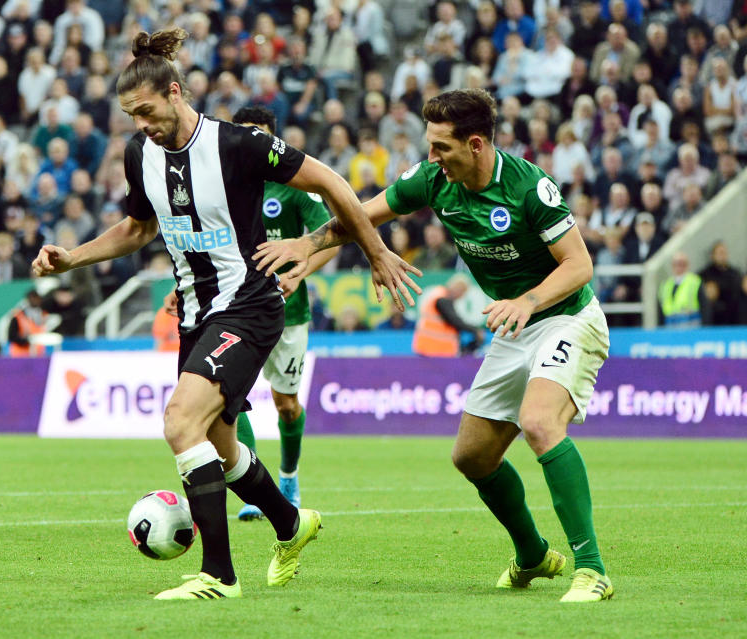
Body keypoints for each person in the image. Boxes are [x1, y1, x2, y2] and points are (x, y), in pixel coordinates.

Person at [32, 28, 419, 601]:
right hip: (195, 314)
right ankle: (291, 524)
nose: (140, 124)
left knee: (179, 424)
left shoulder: (238, 145)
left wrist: (376, 250)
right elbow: (138, 229)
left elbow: (332, 182)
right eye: (130, 115)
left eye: (146, 110)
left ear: (175, 91)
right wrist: (75, 257)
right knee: (219, 445)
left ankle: (218, 575)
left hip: (250, 304)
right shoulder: (140, 153)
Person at [256, 88, 614, 603]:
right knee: (471, 457)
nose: (431, 158)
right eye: (429, 146)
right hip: (516, 324)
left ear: (475, 144)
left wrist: (528, 301)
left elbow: (579, 265)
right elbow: (362, 215)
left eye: (441, 147)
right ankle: (533, 555)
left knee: (539, 423)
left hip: (566, 316)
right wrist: (307, 243)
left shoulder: (530, 186)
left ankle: (592, 569)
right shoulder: (432, 180)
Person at [190, 105, 339, 521]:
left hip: (288, 313)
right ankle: (257, 489)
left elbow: (332, 237)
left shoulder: (293, 190)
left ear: (274, 140)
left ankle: (289, 476)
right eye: (243, 134)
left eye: (259, 134)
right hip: (234, 312)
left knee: (286, 403)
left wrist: (300, 271)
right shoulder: (221, 187)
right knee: (228, 403)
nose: (250, 144)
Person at [412, 273, 486, 357]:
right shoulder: (442, 299)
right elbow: (454, 320)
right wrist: (475, 330)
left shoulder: (437, 295)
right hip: (434, 351)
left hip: (432, 349)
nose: (461, 296)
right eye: (462, 292)